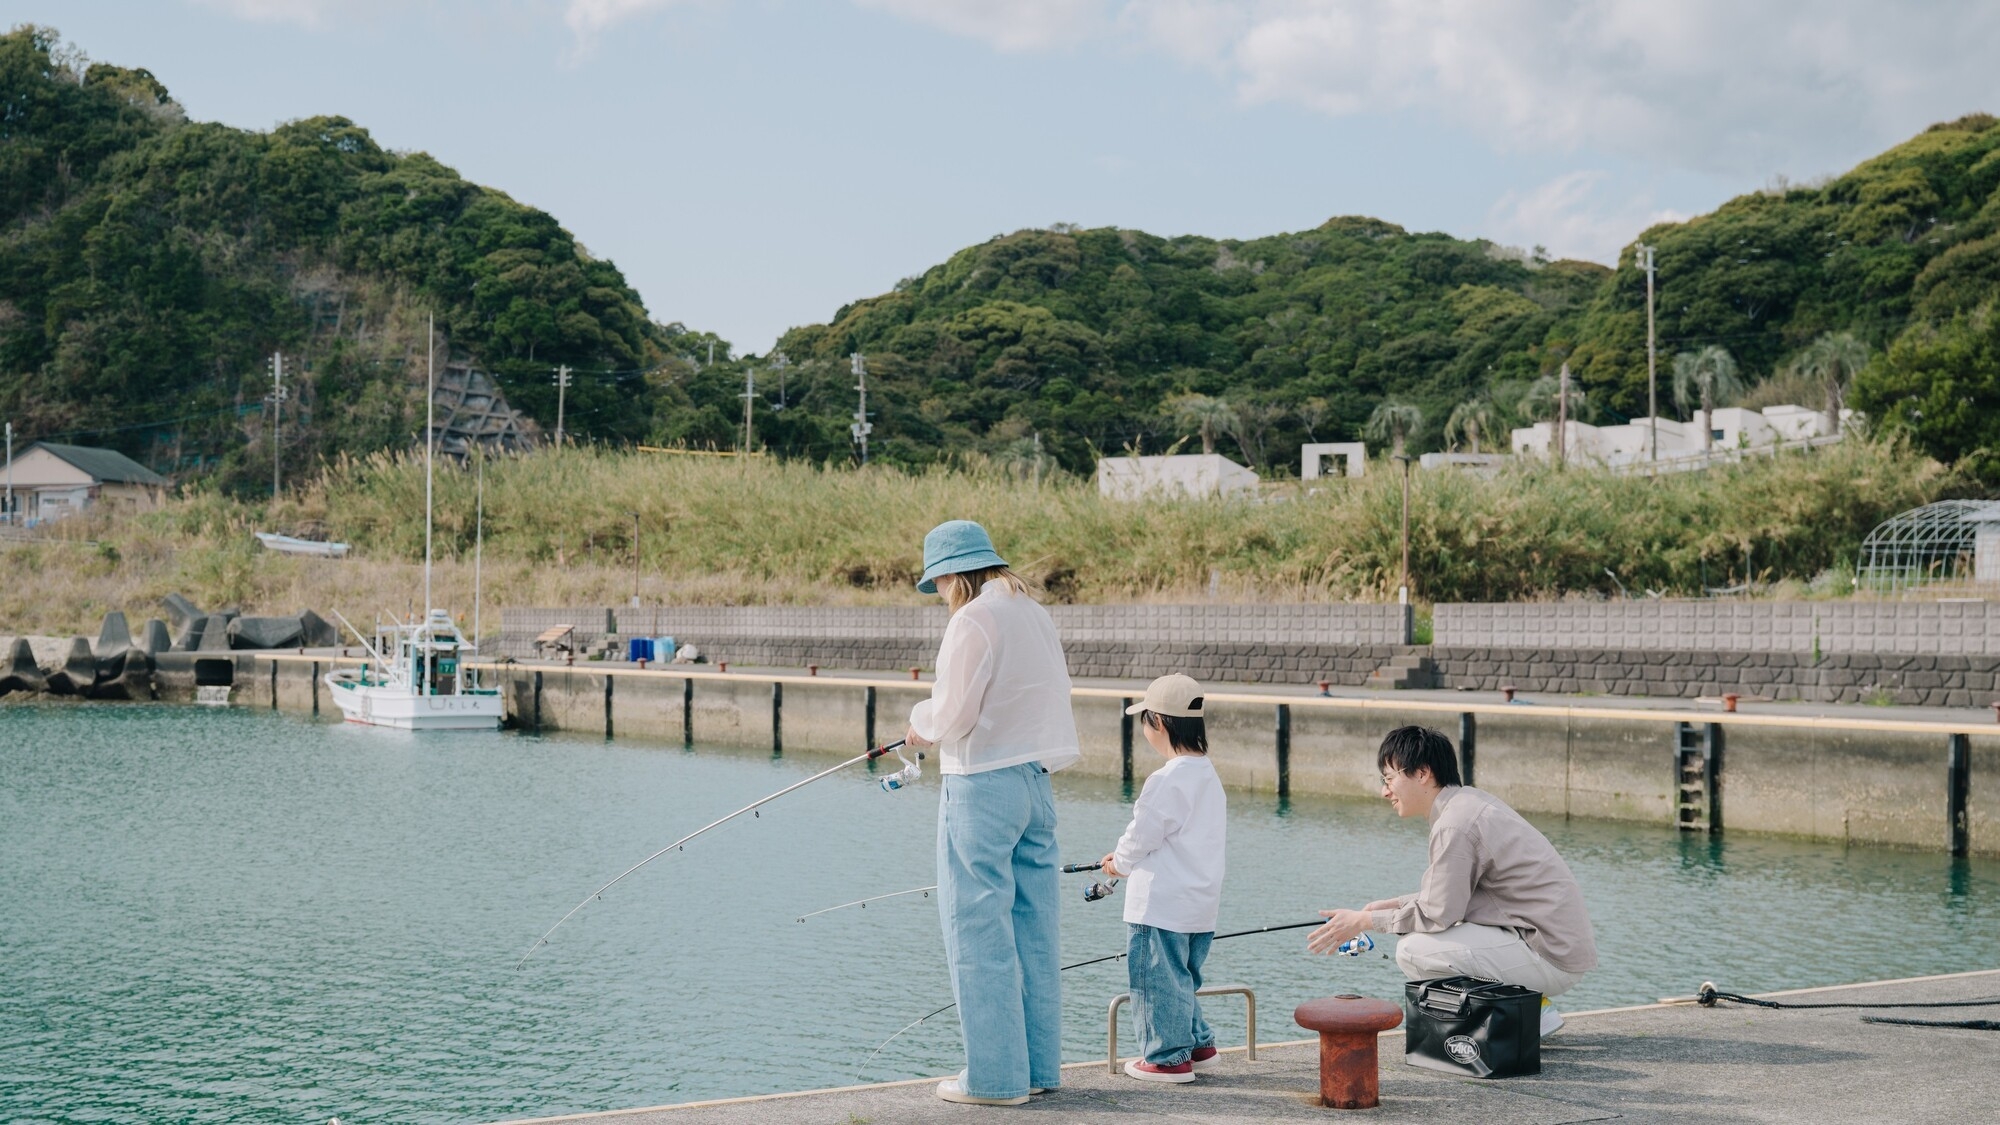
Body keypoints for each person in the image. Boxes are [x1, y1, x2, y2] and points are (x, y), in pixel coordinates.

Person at [904, 520, 1079, 1107]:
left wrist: (918, 721)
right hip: (1037, 783)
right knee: (1034, 929)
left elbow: (952, 714)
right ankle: (1037, 1069)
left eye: (941, 581)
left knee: (977, 929)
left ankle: (995, 1080)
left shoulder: (973, 617)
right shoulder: (1033, 611)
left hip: (981, 784)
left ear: (952, 574)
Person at [1307, 725, 1596, 1036]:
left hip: (1548, 953)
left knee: (1413, 951)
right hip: (1553, 944)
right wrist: (1389, 906)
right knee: (1428, 940)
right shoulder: (1468, 803)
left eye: (1389, 778)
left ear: (1422, 773)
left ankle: (1528, 1015)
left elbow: (1439, 913)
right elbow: (1450, 897)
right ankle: (1524, 1013)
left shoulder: (1454, 825)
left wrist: (1365, 921)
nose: (1385, 791)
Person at [1099, 673, 1226, 1084]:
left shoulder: (1167, 779)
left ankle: (1167, 1058)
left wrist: (1118, 863)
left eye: (1146, 719)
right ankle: (1199, 1044)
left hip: (1161, 904)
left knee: (1156, 981)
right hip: (1199, 905)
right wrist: (1123, 856)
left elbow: (1141, 837)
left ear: (1160, 723)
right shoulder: (1207, 774)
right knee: (1182, 976)